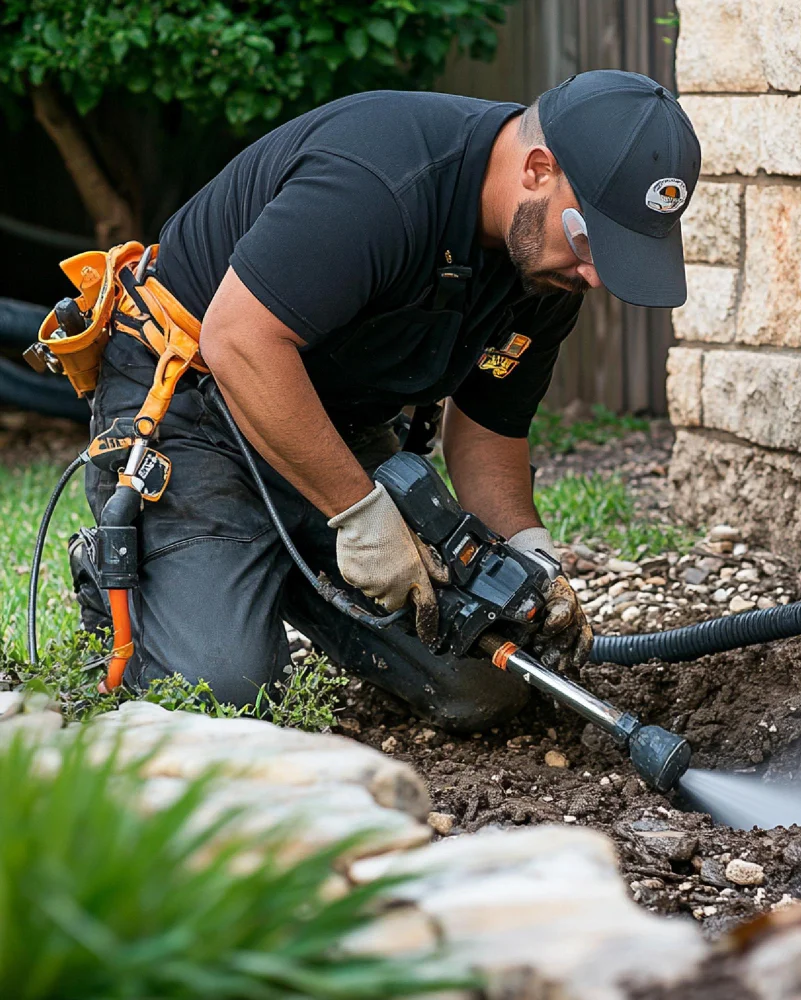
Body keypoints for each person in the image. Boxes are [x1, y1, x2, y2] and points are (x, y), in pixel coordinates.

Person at [70, 69, 701, 730]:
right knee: (223, 695)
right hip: (196, 405)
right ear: (538, 169)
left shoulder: (549, 273)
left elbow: (489, 427)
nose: (594, 274)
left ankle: (260, 567)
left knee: (487, 683)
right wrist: (360, 516)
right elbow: (240, 340)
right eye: (589, 240)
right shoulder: (381, 182)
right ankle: (146, 576)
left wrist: (530, 555)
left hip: (333, 425)